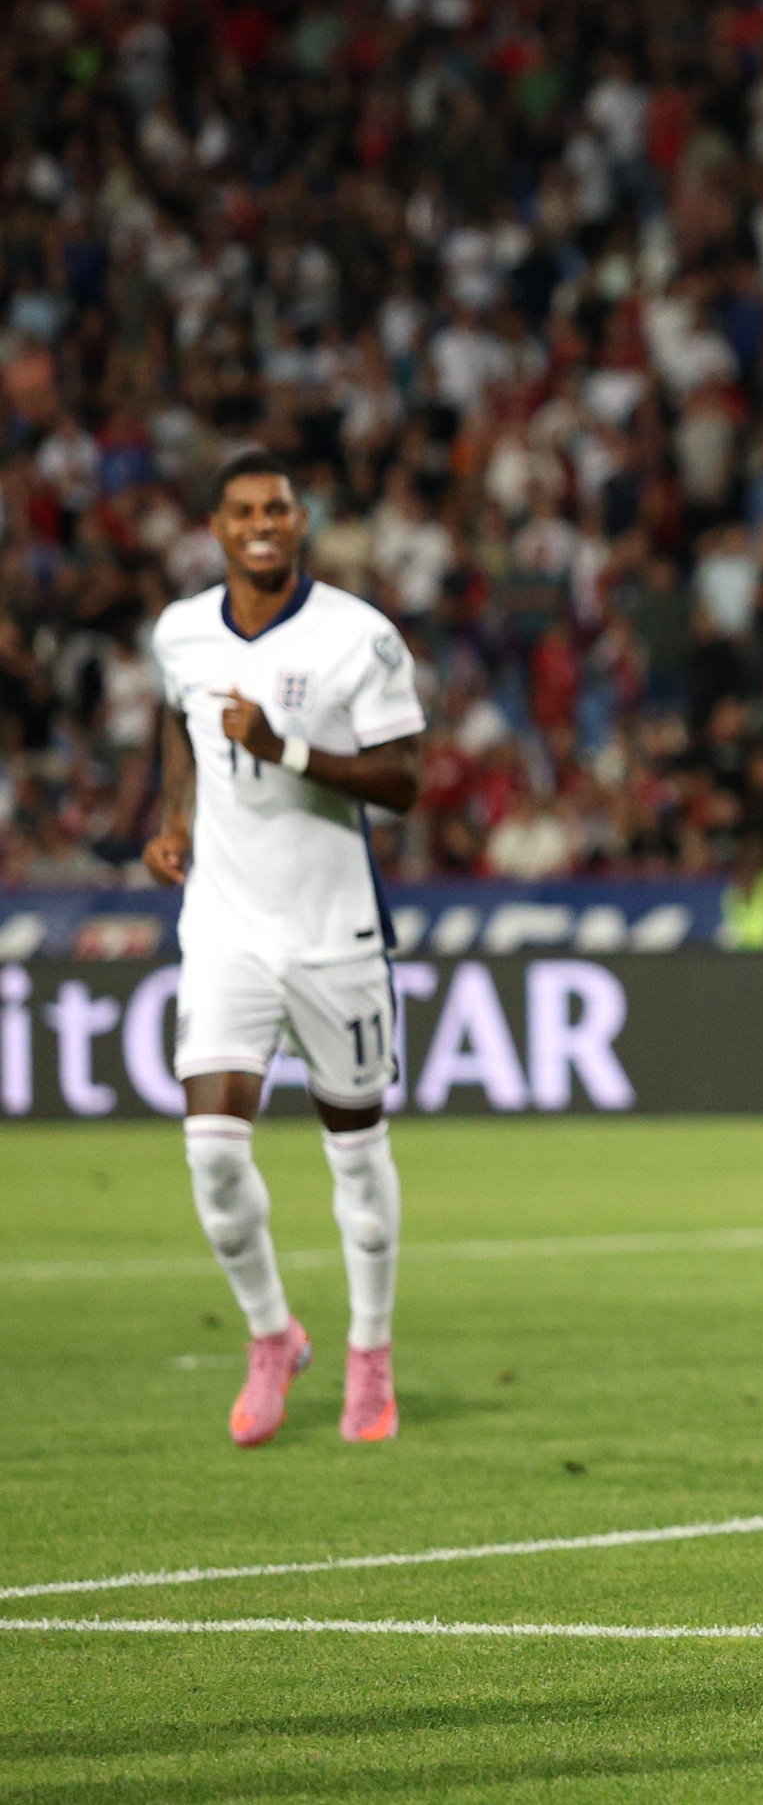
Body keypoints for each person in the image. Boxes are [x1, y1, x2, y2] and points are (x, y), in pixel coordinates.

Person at [143, 452, 427, 1448]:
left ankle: (371, 1353)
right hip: (224, 928)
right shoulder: (179, 631)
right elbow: (178, 725)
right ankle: (274, 1335)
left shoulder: (360, 637)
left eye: (277, 509)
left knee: (356, 1154)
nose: (261, 524)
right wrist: (175, 817)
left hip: (333, 935)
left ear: (299, 521)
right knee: (212, 1153)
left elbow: (403, 780)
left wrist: (284, 751)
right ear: (216, 528)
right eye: (242, 512)